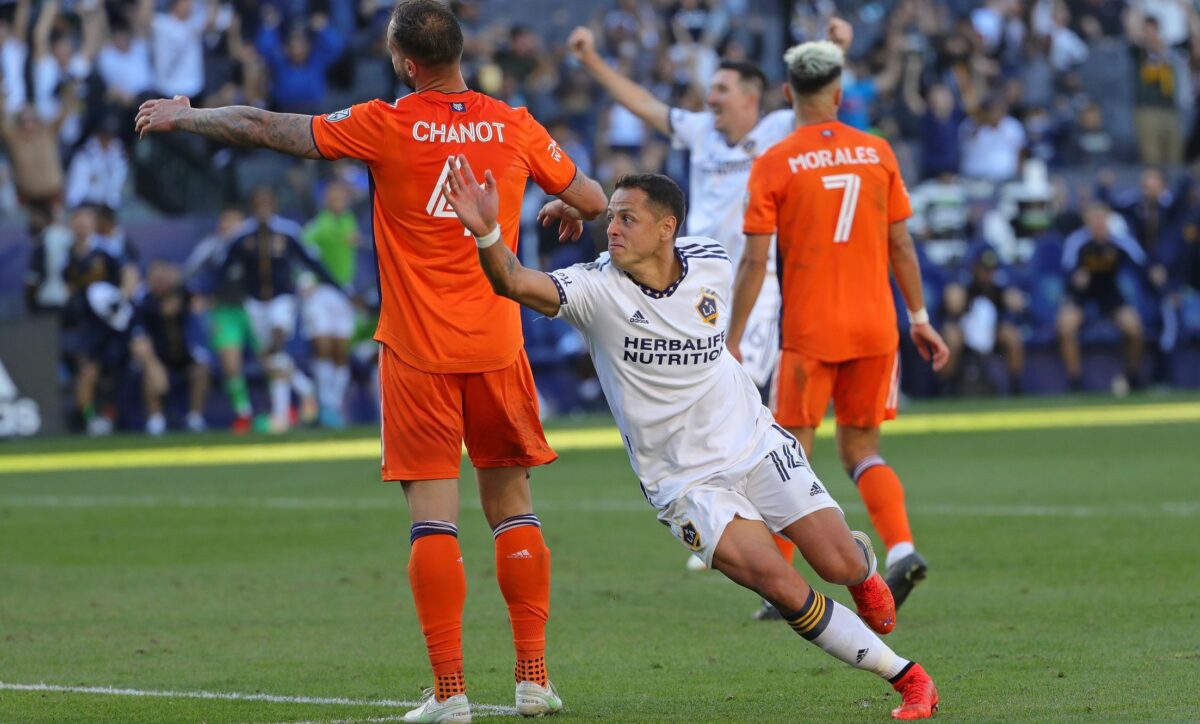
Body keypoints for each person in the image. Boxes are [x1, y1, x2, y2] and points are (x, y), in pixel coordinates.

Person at [135, 2, 607, 720]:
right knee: (513, 510)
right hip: (497, 344)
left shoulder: (384, 123)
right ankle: (533, 679)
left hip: (418, 351)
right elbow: (592, 197)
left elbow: (267, 128)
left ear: (404, 61)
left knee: (433, 523)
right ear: (457, 51)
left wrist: (187, 115)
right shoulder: (513, 122)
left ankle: (451, 696)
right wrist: (572, 208)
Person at [441, 161, 939, 721]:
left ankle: (862, 568)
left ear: (667, 228)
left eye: (627, 219)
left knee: (839, 564)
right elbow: (510, 279)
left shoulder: (711, 262)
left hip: (754, 443)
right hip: (684, 484)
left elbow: (754, 258)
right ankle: (908, 677)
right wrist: (486, 232)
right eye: (611, 218)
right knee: (779, 583)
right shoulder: (592, 290)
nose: (614, 229)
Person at [729, 38, 950, 612]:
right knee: (862, 449)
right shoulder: (877, 151)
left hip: (810, 332)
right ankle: (901, 549)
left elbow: (755, 259)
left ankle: (781, 585)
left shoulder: (775, 162)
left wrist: (731, 337)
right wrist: (920, 319)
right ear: (838, 93)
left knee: (786, 454)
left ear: (786, 93)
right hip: (877, 328)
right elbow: (900, 241)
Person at [567, 24, 794, 391]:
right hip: (699, 281)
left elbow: (819, 100)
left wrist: (836, 48)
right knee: (700, 388)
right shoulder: (701, 130)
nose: (711, 98)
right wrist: (590, 58)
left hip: (755, 284)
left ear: (751, 98)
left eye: (721, 89)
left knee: (743, 387)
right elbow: (644, 104)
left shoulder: (779, 129)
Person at [217, 187, 340, 434]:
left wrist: (336, 286)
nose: (263, 207)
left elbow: (311, 261)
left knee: (276, 345)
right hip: (254, 303)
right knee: (272, 359)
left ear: (274, 205)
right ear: (252, 206)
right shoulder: (242, 236)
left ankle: (281, 417)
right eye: (258, 202)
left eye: (267, 202)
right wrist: (217, 294)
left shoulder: (288, 232)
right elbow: (224, 267)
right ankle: (305, 389)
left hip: (282, 299)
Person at [1057, 202, 1148, 393]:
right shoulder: (1077, 241)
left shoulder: (1119, 240)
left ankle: (1133, 375)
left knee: (1135, 328)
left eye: (1102, 218)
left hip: (1109, 293)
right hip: (1081, 295)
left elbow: (1142, 263)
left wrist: (1156, 272)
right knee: (1065, 327)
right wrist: (1076, 277)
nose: (1098, 223)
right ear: (1087, 222)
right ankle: (1075, 380)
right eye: (1094, 219)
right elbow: (1065, 270)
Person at [301, 180, 360, 428]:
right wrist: (306, 281)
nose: (338, 202)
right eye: (333, 198)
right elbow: (303, 253)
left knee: (340, 350)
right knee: (322, 345)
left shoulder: (350, 222)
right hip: (321, 293)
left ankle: (334, 405)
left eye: (341, 198)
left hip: (343, 292)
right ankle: (325, 404)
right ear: (326, 200)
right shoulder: (317, 227)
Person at [130, 261, 210, 435]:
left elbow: (200, 302)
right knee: (150, 373)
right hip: (157, 356)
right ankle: (156, 420)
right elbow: (138, 341)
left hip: (183, 353)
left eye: (162, 278)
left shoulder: (182, 293)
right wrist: (154, 365)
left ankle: (195, 418)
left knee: (201, 368)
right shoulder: (144, 303)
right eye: (155, 279)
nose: (159, 283)